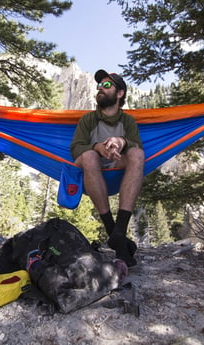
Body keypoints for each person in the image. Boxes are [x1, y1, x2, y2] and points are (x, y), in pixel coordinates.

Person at [70, 69, 144, 266]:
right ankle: (114, 232)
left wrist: (120, 142)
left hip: (116, 162)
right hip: (90, 164)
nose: (100, 89)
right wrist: (98, 148)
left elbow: (136, 145)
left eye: (107, 85)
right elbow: (76, 149)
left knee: (137, 154)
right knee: (88, 155)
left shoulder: (127, 121)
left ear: (120, 93)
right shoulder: (88, 119)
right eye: (99, 86)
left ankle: (119, 231)